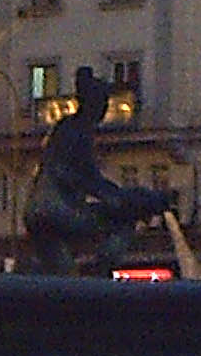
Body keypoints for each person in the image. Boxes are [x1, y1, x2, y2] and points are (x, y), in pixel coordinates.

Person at [22, 67, 173, 274]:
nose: (105, 108)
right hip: (58, 211)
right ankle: (101, 271)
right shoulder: (79, 132)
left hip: (36, 213)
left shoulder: (65, 127)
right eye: (104, 103)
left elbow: (87, 179)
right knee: (124, 220)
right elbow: (89, 179)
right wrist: (124, 199)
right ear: (94, 104)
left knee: (64, 276)